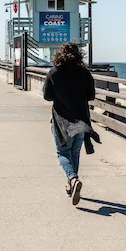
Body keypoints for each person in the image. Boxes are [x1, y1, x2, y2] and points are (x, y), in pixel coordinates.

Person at [43, 43, 100, 206]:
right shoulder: (84, 73)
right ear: (78, 56)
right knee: (74, 153)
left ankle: (73, 179)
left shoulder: (54, 73)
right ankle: (71, 184)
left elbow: (47, 96)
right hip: (81, 120)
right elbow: (91, 96)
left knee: (62, 153)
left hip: (62, 121)